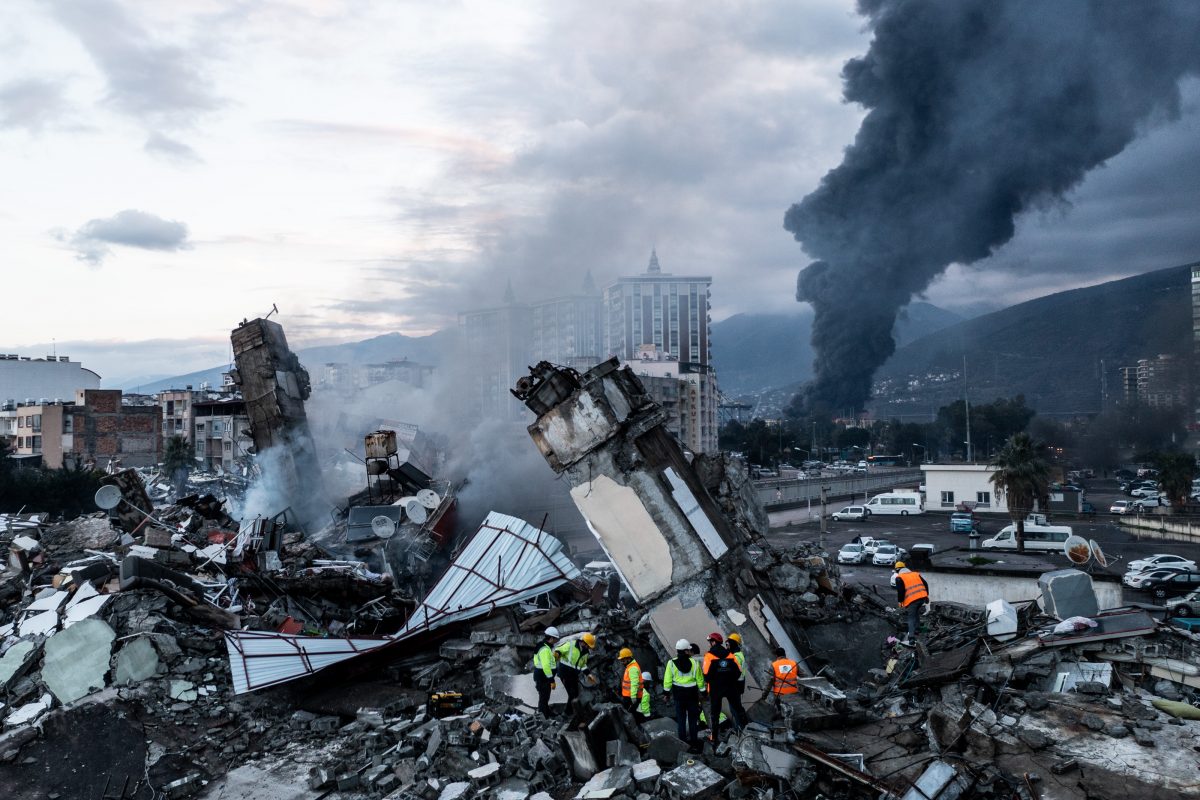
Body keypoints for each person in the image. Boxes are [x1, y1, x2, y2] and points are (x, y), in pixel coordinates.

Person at [702, 632, 746, 740]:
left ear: (713, 642)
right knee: (739, 710)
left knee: (715, 715)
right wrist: (728, 679)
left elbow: (706, 675)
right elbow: (738, 671)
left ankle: (714, 738)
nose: (709, 644)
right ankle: (746, 733)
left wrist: (715, 679)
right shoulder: (730, 655)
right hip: (731, 687)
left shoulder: (708, 656)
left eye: (709, 642)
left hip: (715, 689)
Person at [662, 638, 704, 748]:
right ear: (686, 651)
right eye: (689, 650)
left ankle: (683, 744)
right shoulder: (694, 663)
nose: (690, 652)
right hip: (692, 695)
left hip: (679, 695)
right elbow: (700, 680)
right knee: (692, 719)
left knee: (681, 720)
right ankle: (694, 742)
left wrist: (666, 694)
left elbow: (667, 680)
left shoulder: (671, 663)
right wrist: (704, 693)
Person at [555, 632, 596, 715]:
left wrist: (588, 674)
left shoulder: (585, 652)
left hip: (573, 676)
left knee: (575, 694)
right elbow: (559, 650)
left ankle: (571, 712)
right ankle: (565, 713)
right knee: (568, 694)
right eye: (588, 645)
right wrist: (557, 654)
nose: (588, 647)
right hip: (564, 674)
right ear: (583, 642)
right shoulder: (570, 645)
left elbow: (583, 664)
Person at [895, 564, 930, 643]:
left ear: (898, 570)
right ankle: (917, 629)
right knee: (916, 612)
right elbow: (925, 584)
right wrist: (926, 596)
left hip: (912, 600)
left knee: (911, 618)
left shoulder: (900, 577)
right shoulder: (915, 574)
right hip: (922, 598)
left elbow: (901, 591)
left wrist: (900, 602)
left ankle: (911, 637)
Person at [533, 626, 560, 716]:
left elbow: (546, 661)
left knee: (545, 697)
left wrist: (554, 657)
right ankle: (543, 716)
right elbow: (546, 666)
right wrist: (551, 680)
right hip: (543, 678)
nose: (557, 640)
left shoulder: (545, 646)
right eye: (556, 639)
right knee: (543, 698)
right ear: (551, 638)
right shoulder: (544, 649)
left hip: (542, 676)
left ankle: (546, 712)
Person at [618, 647, 645, 717]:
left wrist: (633, 696)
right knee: (633, 712)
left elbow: (634, 683)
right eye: (621, 660)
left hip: (631, 697)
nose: (622, 662)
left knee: (632, 714)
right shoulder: (630, 666)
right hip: (629, 696)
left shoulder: (633, 668)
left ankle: (639, 725)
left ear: (628, 658)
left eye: (623, 660)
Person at [726, 632, 747, 698]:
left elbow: (733, 672)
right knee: (736, 705)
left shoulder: (736, 656)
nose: (727, 645)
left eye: (729, 642)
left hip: (736, 684)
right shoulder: (738, 654)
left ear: (733, 643)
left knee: (735, 706)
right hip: (739, 683)